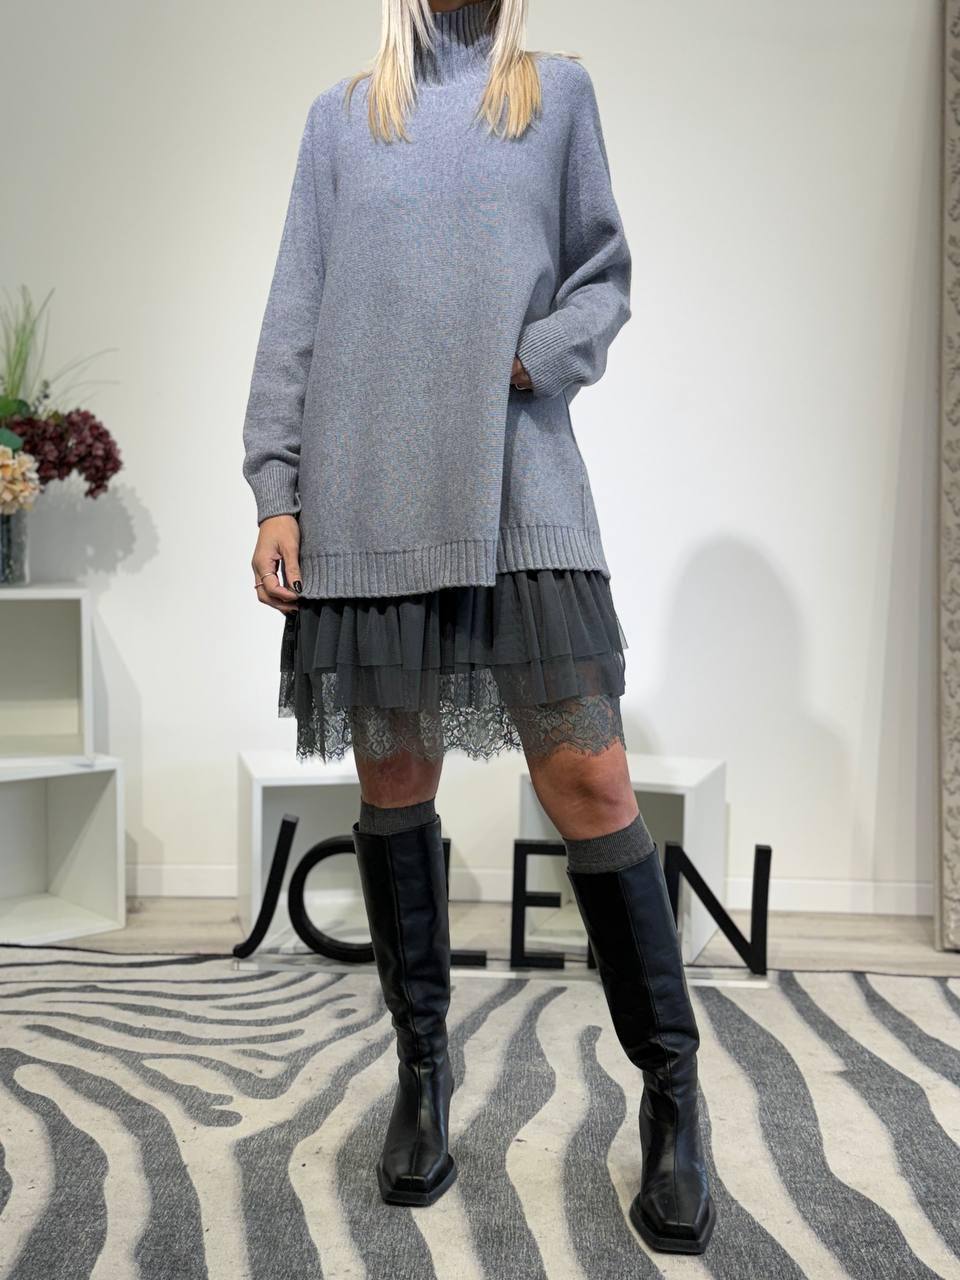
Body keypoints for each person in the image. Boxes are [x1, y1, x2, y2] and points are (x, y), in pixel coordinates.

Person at [241, 0, 715, 1255]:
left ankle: (674, 1094)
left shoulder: (554, 97)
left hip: (518, 484)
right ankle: (424, 1070)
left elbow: (603, 275)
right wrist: (276, 487)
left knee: (591, 779)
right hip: (367, 486)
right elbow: (296, 308)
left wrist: (527, 359)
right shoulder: (341, 120)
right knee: (394, 781)